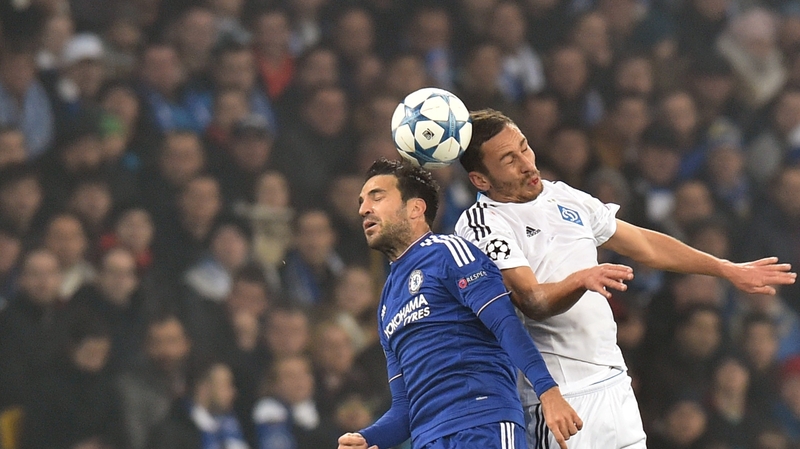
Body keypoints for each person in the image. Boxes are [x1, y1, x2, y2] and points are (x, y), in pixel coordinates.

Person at [453, 108, 797, 448]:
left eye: (525, 147)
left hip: (614, 384)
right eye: (509, 159)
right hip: (561, 396)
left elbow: (644, 243)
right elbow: (532, 301)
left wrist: (725, 268)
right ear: (481, 180)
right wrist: (580, 280)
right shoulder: (483, 223)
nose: (527, 163)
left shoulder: (564, 196)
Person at [338, 159, 581, 449]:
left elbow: (506, 325)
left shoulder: (449, 253)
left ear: (415, 208)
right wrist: (367, 439)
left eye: (377, 197)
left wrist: (548, 392)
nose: (364, 208)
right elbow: (404, 408)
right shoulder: (387, 303)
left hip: (483, 424)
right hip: (428, 439)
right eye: (362, 201)